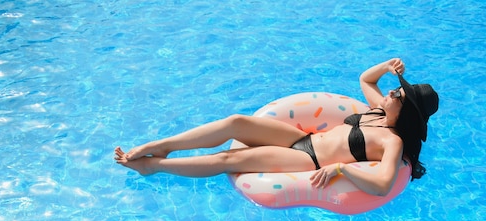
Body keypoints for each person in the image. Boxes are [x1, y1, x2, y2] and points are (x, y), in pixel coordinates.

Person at [115, 58, 439, 196]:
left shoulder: (393, 141)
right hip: (305, 139)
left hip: (309, 161)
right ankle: (165, 145)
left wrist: (342, 168)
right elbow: (366, 79)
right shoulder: (378, 112)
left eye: (398, 93)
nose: (392, 92)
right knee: (235, 123)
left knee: (229, 161)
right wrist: (388, 66)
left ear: (407, 111)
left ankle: (154, 166)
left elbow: (382, 184)